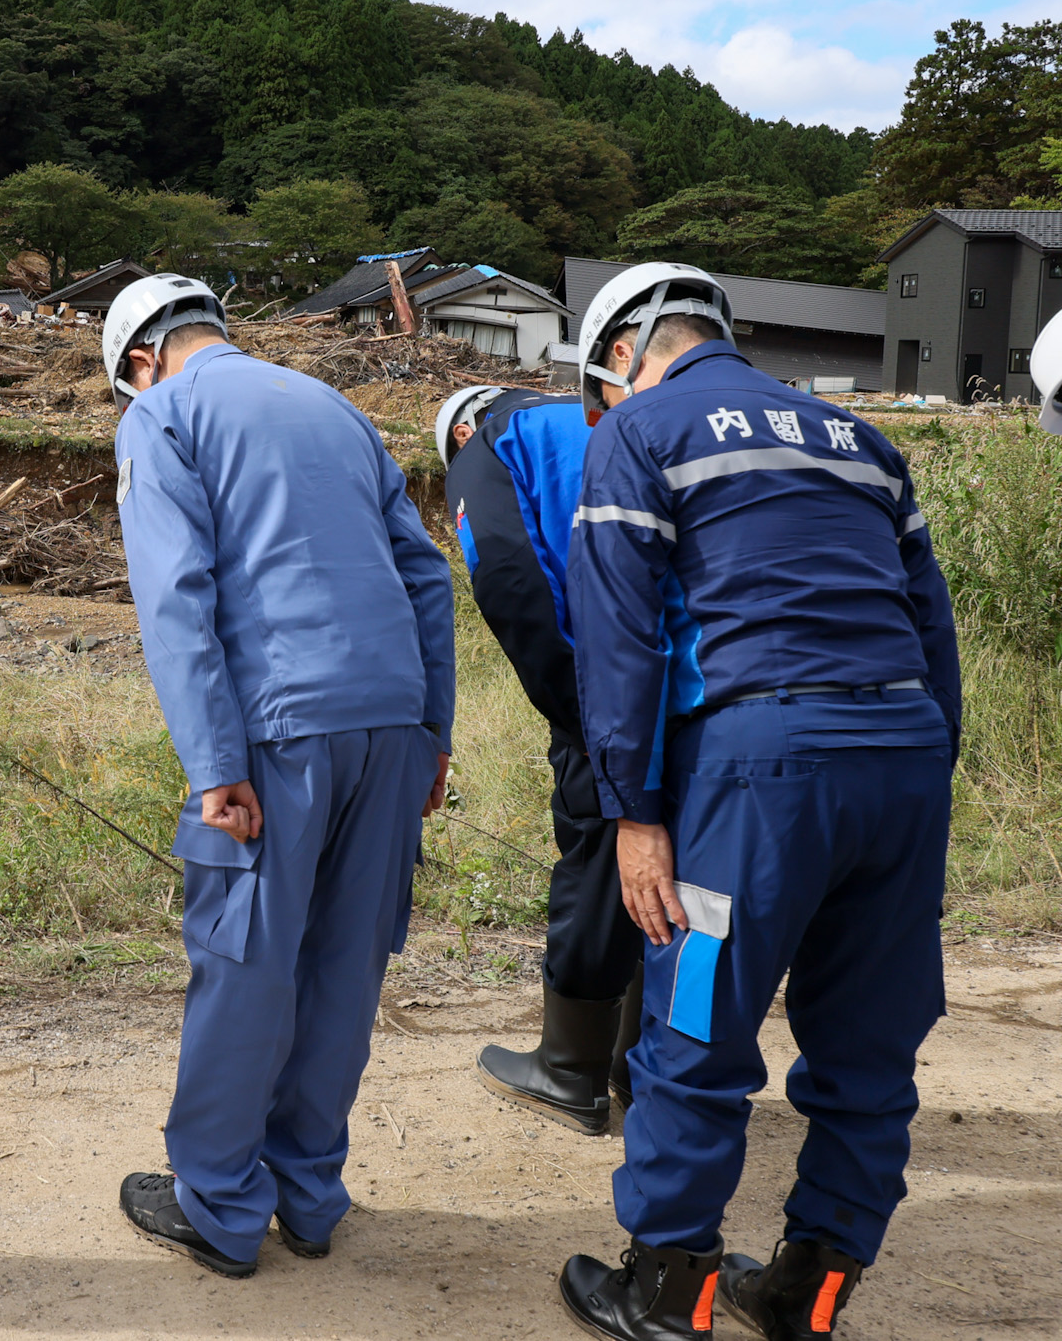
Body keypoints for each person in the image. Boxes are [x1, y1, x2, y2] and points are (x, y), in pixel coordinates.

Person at [553, 262, 961, 1341]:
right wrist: (924, 784)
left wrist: (633, 813)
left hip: (762, 763)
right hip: (903, 755)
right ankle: (806, 1292)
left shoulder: (639, 434)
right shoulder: (860, 442)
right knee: (869, 1042)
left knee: (696, 1021)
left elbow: (616, 639)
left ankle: (665, 1291)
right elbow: (932, 632)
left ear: (621, 354)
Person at [102, 274, 458, 1277]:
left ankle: (216, 1204)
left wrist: (213, 764)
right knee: (346, 961)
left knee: (246, 961)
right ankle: (306, 1194)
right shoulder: (332, 408)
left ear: (136, 359)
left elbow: (176, 597)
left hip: (276, 730)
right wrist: (430, 731)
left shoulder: (161, 417)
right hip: (389, 721)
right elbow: (423, 573)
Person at [437, 383, 644, 1134]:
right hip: (696, 676)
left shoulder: (489, 439)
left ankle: (570, 1072)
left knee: (599, 851)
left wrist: (576, 716)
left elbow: (508, 577)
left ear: (458, 432)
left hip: (605, 684)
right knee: (676, 862)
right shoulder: (603, 416)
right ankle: (642, 1068)